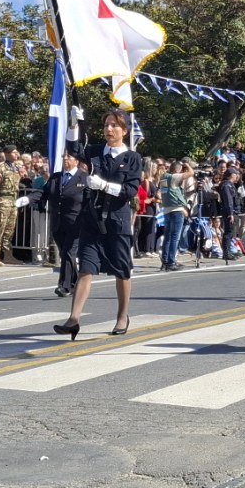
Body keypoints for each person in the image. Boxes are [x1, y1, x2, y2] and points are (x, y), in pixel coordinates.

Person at [54, 107, 145, 339]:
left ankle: (122, 315)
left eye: (114, 125)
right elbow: (74, 149)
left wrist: (103, 185)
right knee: (86, 268)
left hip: (117, 221)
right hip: (92, 220)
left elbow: (130, 190)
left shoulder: (133, 158)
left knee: (122, 271)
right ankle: (74, 318)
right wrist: (74, 124)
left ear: (124, 130)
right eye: (106, 125)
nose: (109, 129)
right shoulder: (95, 152)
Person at [42, 152, 88, 296]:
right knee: (65, 254)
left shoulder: (85, 178)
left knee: (69, 252)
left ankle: (65, 286)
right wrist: (31, 199)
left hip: (76, 223)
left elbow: (89, 201)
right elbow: (44, 193)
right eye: (64, 157)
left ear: (76, 161)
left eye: (69, 157)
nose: (65, 159)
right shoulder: (56, 177)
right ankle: (74, 282)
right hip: (58, 222)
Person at [0, 145, 23, 266]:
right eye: (14, 152)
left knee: (9, 230)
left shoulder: (16, 167)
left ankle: (8, 255)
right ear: (7, 154)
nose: (16, 154)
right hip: (2, 201)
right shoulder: (1, 167)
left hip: (13, 201)